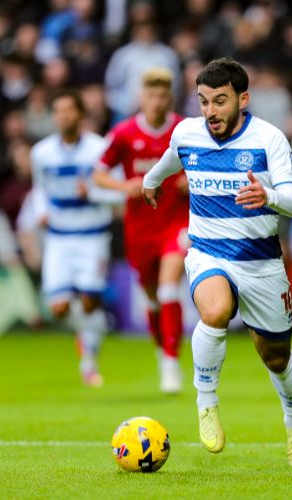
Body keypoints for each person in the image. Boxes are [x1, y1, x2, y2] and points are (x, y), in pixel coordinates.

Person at [142, 58, 292, 467]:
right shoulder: (187, 133)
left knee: (276, 358)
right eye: (203, 101)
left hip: (260, 262)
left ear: (243, 99)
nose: (210, 111)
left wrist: (268, 196)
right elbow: (171, 159)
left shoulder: (269, 139)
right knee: (215, 311)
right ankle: (206, 402)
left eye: (220, 101)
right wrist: (151, 180)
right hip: (207, 252)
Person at [93, 68, 187, 394]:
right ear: (141, 98)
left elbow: (206, 166)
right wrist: (124, 187)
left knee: (169, 286)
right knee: (152, 297)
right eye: (151, 96)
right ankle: (162, 351)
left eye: (162, 95)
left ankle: (172, 363)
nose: (156, 102)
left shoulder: (184, 130)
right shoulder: (123, 133)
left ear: (170, 98)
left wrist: (191, 181)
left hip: (176, 222)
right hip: (140, 228)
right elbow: (98, 174)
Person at [30, 89, 111, 387]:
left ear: (80, 114)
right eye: (58, 111)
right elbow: (39, 188)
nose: (63, 116)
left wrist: (93, 193)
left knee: (89, 301)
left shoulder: (100, 149)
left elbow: (117, 191)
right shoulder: (41, 153)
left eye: (69, 110)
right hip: (59, 237)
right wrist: (41, 211)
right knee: (58, 308)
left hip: (93, 235)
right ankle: (96, 326)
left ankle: (88, 362)